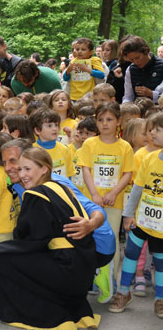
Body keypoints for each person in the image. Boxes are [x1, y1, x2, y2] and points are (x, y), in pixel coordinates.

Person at [0, 146, 100, 329]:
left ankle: (16, 309)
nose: (22, 174)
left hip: (66, 271)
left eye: (27, 169)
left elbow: (30, 241)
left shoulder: (36, 195)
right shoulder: (62, 187)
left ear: (44, 169)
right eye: (20, 169)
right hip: (83, 268)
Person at [77, 101, 134, 303]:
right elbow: (86, 169)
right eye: (100, 120)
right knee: (88, 239)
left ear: (118, 121)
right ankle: (90, 278)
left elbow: (127, 173)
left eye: (110, 119)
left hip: (114, 202)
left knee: (111, 242)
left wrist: (113, 193)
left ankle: (109, 278)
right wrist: (94, 194)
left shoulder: (124, 146)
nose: (105, 123)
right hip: (91, 201)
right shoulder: (90, 144)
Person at [109, 113, 163, 317]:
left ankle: (160, 298)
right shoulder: (148, 157)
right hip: (142, 220)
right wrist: (129, 214)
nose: (152, 133)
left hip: (161, 227)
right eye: (151, 130)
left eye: (157, 130)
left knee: (160, 261)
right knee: (131, 253)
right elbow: (138, 190)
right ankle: (124, 292)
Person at [31, 108, 74, 178]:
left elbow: (69, 175)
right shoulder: (31, 151)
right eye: (49, 126)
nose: (54, 128)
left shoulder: (64, 149)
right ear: (37, 130)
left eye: (56, 125)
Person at [122, 36, 163, 103]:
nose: (135, 62)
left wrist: (151, 94)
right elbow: (128, 96)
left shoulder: (161, 65)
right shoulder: (130, 70)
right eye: (132, 60)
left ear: (146, 51)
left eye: (137, 58)